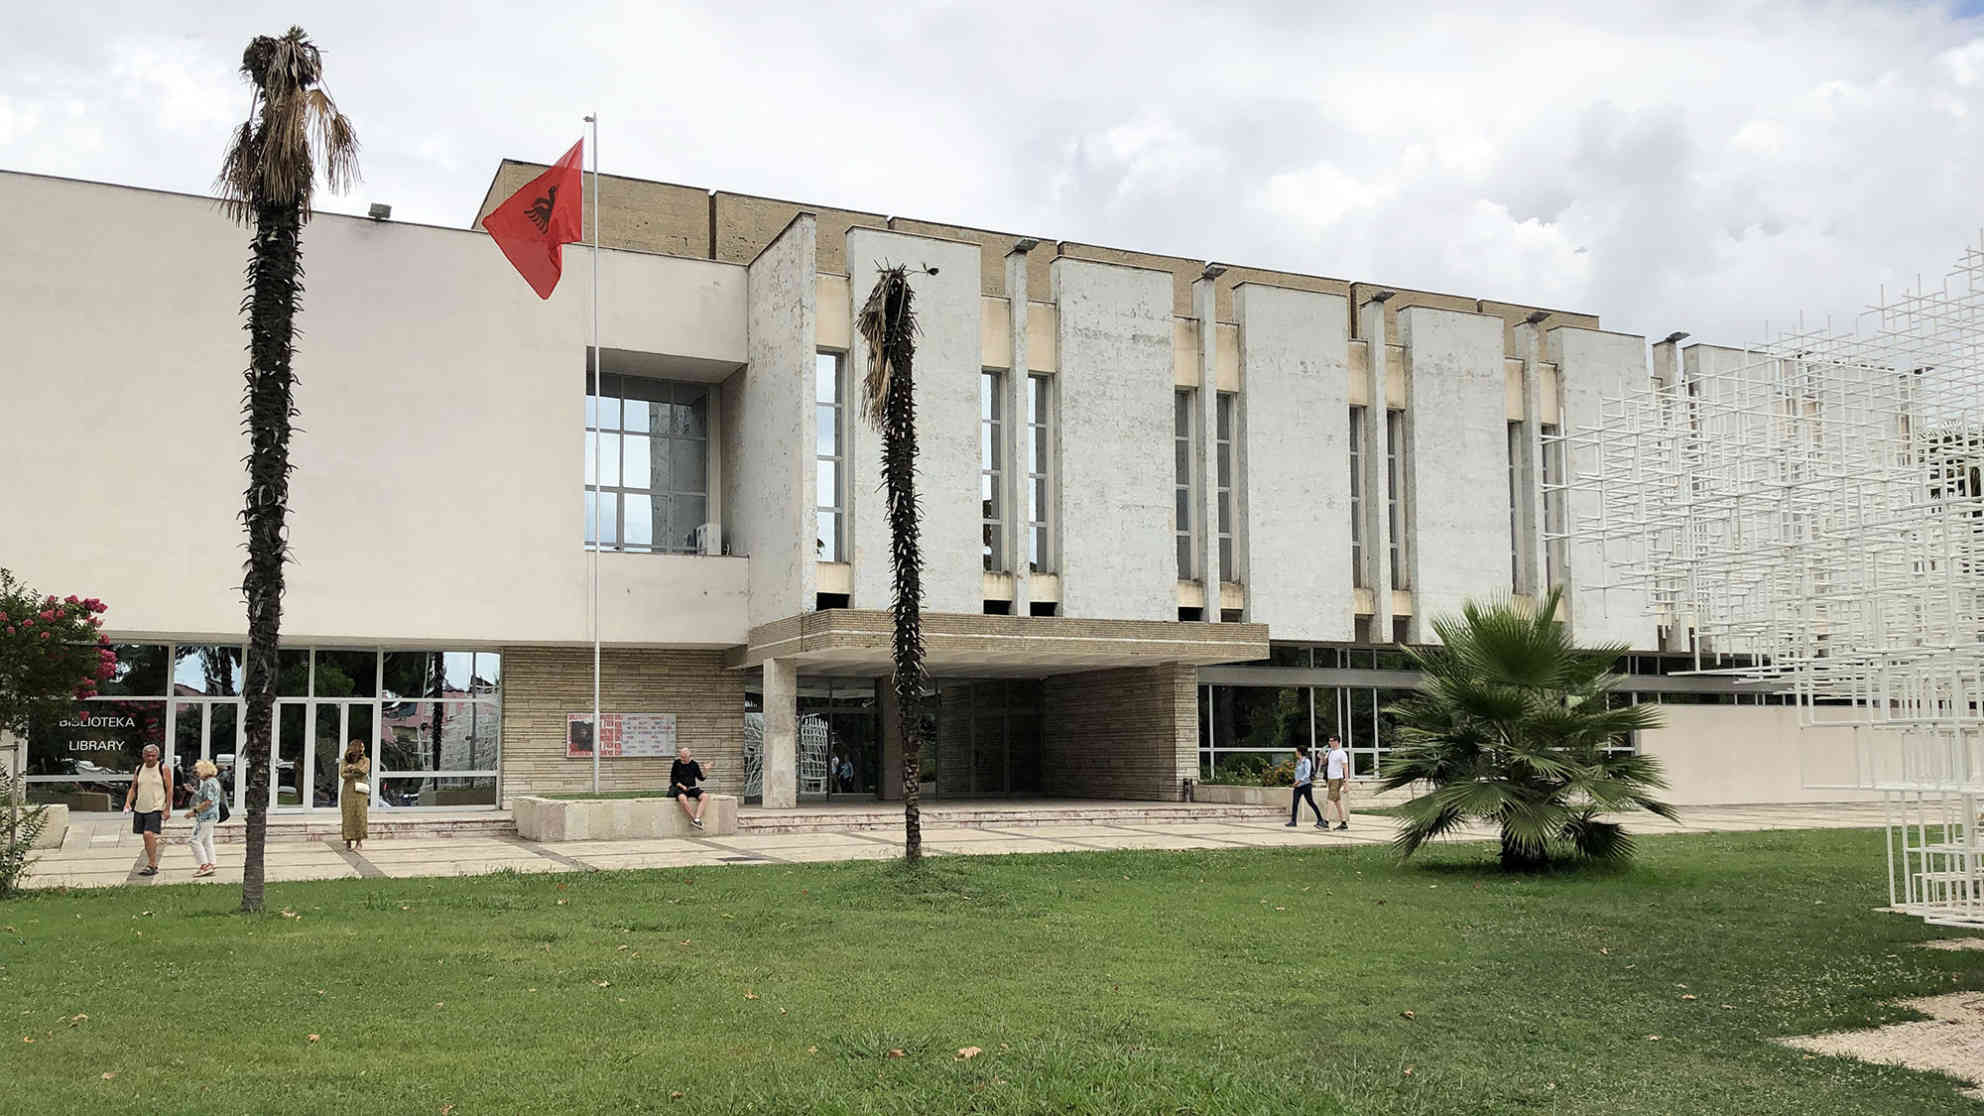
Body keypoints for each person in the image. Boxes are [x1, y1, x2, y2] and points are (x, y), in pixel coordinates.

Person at [122, 743, 173, 876]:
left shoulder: (163, 768)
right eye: (148, 755)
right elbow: (133, 788)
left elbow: (169, 789)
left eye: (153, 755)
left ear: (157, 756)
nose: (150, 758)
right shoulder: (139, 769)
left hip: (156, 807)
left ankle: (152, 864)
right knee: (146, 837)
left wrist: (167, 809)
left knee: (148, 834)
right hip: (140, 807)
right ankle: (151, 862)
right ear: (143, 756)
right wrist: (128, 803)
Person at [187, 759, 222, 877]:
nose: (196, 773)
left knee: (194, 840)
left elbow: (208, 801)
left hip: (206, 816)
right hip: (212, 816)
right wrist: (193, 791)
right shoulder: (213, 782)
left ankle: (204, 865)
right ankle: (211, 863)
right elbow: (207, 797)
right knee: (207, 841)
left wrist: (194, 811)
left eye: (197, 771)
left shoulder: (208, 783)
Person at [339, 738, 370, 851]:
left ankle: (359, 842)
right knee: (347, 816)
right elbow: (343, 774)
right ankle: (347, 841)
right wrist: (353, 772)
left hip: (360, 792)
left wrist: (353, 769)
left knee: (360, 815)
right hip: (347, 791)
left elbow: (364, 771)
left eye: (359, 747)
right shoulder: (345, 761)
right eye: (354, 747)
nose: (357, 750)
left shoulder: (366, 760)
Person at [1285, 744, 1325, 829]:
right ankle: (1293, 821)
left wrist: (1298, 781)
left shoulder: (1306, 761)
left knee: (1310, 802)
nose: (1295, 752)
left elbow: (1307, 774)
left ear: (1299, 752)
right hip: (1298, 786)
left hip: (1306, 785)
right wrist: (1295, 782)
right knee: (1295, 803)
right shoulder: (1298, 761)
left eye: (1296, 751)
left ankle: (1320, 819)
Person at [669, 746, 709, 829]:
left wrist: (706, 770)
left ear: (689, 756)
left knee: (705, 796)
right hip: (679, 788)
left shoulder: (694, 764)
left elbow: (701, 778)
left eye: (684, 757)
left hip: (691, 787)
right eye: (681, 756)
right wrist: (681, 786)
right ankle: (694, 819)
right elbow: (673, 778)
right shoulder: (677, 763)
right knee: (682, 798)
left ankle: (697, 818)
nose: (682, 759)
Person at [1324, 735, 1351, 831]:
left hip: (1337, 779)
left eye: (1331, 741)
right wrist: (1322, 757)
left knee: (1330, 800)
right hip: (1330, 779)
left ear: (1337, 742)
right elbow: (1325, 762)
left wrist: (1346, 783)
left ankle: (1326, 822)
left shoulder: (1342, 753)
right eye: (1329, 741)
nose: (1330, 742)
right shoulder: (1330, 752)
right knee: (1337, 801)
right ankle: (1343, 823)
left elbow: (1346, 768)